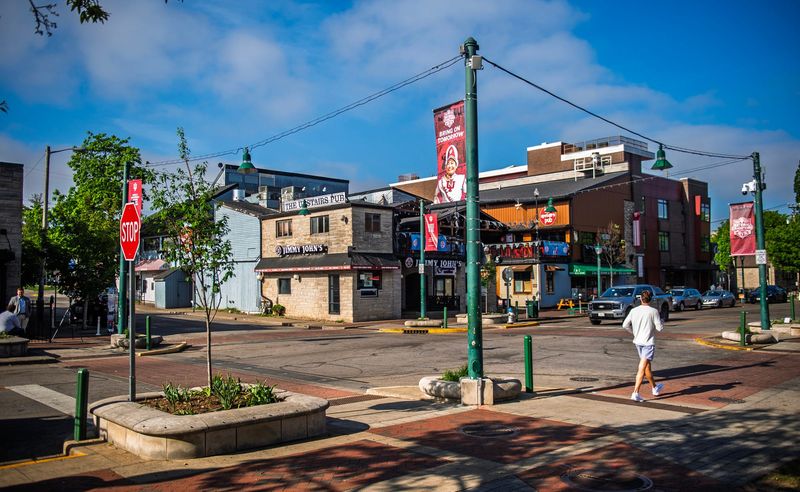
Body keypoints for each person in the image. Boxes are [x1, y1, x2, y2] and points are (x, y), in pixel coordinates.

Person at [622, 290, 665, 402]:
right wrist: (661, 321)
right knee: (642, 367)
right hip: (648, 343)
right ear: (650, 299)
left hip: (638, 342)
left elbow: (625, 325)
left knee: (647, 367)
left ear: (640, 299)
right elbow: (659, 328)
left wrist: (634, 333)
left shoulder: (634, 311)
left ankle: (655, 388)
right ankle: (635, 392)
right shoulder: (653, 311)